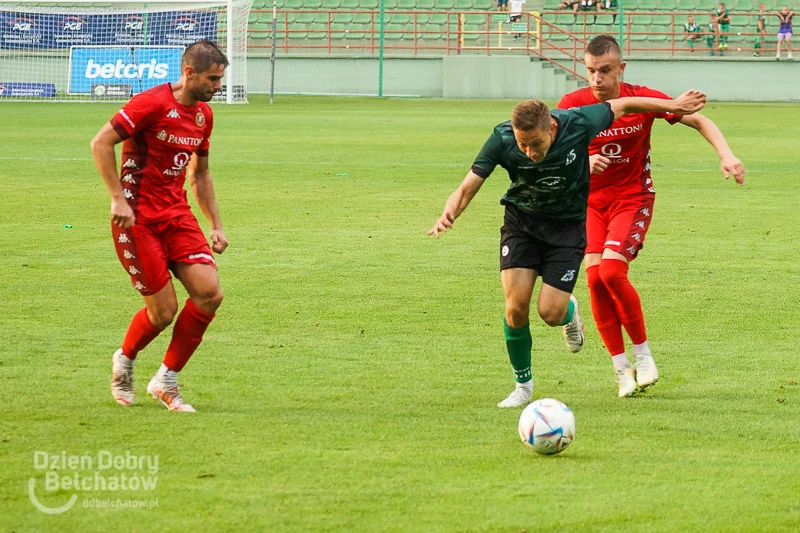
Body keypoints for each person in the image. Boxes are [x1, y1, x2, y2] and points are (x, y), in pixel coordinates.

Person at [427, 90, 707, 408]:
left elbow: (626, 104)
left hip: (567, 230)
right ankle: (523, 386)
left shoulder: (577, 123)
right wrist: (449, 213)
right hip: (522, 226)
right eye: (523, 145)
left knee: (550, 313)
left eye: (536, 144)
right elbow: (468, 186)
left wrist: (672, 106)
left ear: (552, 129)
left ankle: (569, 313)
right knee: (516, 307)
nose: (529, 152)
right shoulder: (502, 138)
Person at [557, 36, 745, 398]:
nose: (597, 79)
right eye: (591, 71)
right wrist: (581, 160)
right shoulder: (572, 104)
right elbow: (553, 148)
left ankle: (643, 356)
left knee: (612, 271)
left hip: (632, 198)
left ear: (621, 69)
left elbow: (699, 120)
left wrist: (726, 154)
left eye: (606, 71)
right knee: (595, 279)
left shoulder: (642, 97)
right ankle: (619, 368)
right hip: (589, 203)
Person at [90, 40, 230, 413]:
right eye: (213, 79)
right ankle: (125, 360)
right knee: (163, 311)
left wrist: (215, 224)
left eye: (220, 80)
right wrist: (118, 197)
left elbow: (200, 175)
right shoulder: (151, 104)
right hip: (137, 220)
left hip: (176, 216)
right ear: (189, 73)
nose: (218, 87)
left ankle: (165, 380)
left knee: (209, 293)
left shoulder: (204, 116)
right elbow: (101, 143)